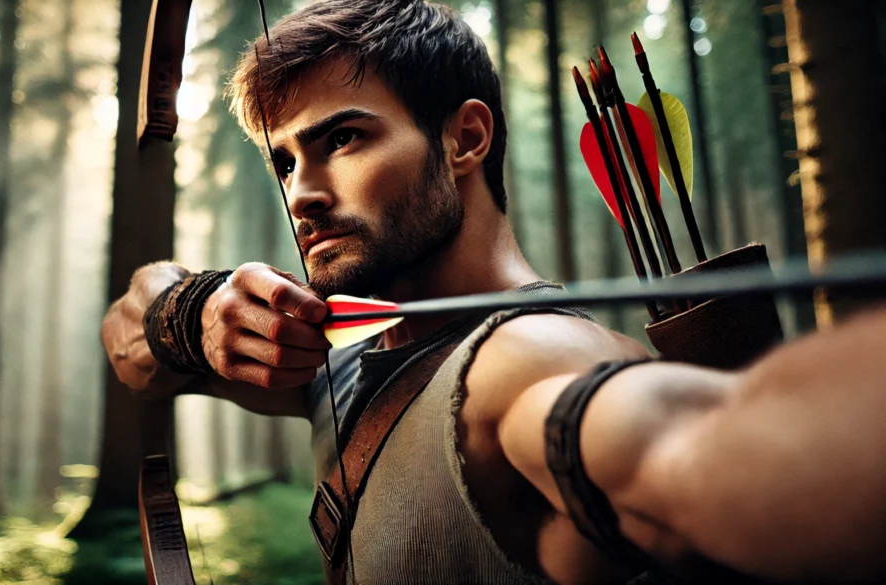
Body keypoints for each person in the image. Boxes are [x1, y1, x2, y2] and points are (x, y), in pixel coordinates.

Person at [102, 1, 886, 583]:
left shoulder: (533, 360)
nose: (301, 193)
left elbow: (697, 445)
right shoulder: (342, 360)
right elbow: (128, 335)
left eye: (342, 138)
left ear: (465, 137)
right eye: (284, 162)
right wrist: (194, 312)